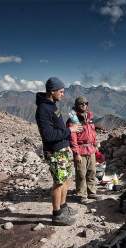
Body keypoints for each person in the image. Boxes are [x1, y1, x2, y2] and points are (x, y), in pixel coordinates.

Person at [35, 77, 81, 226]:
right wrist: (70, 130)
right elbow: (48, 136)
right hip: (54, 152)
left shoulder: (52, 105)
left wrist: (66, 143)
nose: (63, 94)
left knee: (66, 179)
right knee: (59, 182)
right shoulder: (43, 109)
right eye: (61, 91)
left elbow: (58, 128)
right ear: (52, 91)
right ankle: (56, 214)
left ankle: (63, 207)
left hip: (61, 149)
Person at [67, 96, 100, 204]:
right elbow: (73, 138)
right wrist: (76, 154)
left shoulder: (89, 118)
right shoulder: (73, 120)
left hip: (91, 149)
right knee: (81, 173)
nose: (84, 105)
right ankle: (81, 194)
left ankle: (92, 191)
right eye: (81, 104)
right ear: (77, 106)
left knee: (92, 172)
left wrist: (95, 145)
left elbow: (93, 132)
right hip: (81, 149)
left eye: (86, 103)